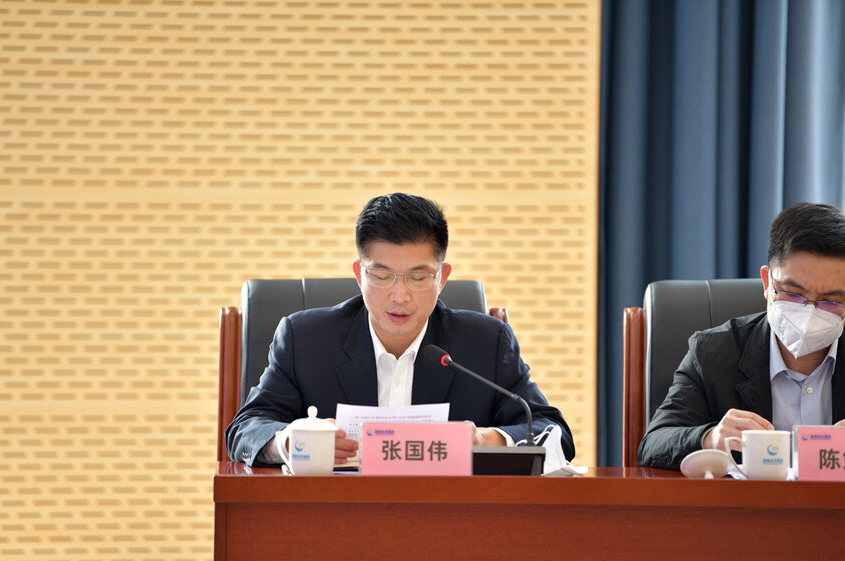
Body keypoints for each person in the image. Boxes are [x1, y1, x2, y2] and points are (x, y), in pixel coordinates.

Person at [226, 192, 575, 466]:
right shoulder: (305, 339)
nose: (400, 295)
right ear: (360, 274)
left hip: (452, 519)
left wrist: (485, 441)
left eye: (418, 277)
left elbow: (554, 434)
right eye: (382, 276)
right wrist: (291, 441)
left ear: (442, 278)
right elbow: (246, 429)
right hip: (332, 517)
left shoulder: (485, 343)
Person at [638, 203, 845, 470]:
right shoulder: (713, 353)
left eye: (831, 301)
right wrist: (710, 438)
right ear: (767, 283)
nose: (809, 312)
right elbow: (653, 445)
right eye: (793, 294)